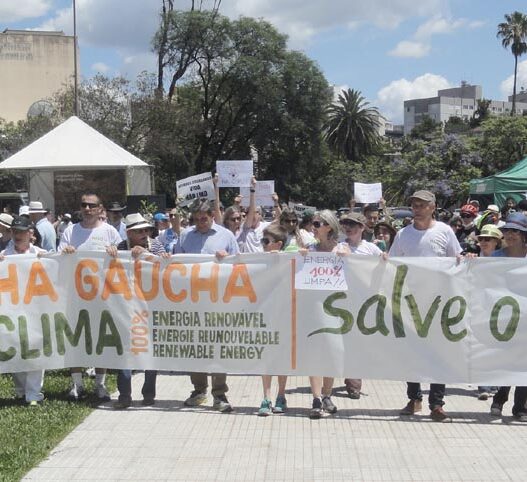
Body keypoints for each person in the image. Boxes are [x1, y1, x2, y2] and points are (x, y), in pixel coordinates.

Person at [389, 190, 462, 423]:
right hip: (411, 302)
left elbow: (457, 260)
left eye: (422, 205)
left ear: (433, 207)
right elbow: (392, 263)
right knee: (412, 352)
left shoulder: (445, 231)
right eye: (414, 205)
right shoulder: (403, 234)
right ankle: (414, 398)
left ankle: (437, 403)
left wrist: (467, 260)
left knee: (438, 353)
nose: (417, 209)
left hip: (439, 302)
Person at [175, 199, 239, 413]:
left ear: (213, 216)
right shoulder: (185, 235)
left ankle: (219, 393)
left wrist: (227, 258)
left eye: (204, 218)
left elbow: (239, 264)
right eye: (197, 219)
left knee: (218, 347)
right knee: (195, 347)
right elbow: (176, 262)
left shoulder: (226, 235)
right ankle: (199, 390)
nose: (201, 223)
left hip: (218, 300)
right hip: (192, 299)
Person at [59, 192, 122, 402]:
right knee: (75, 337)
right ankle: (77, 384)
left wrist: (116, 252)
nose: (87, 209)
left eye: (91, 205)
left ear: (100, 208)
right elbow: (58, 259)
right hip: (75, 295)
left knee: (101, 337)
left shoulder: (110, 231)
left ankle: (100, 384)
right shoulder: (70, 231)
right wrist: (65, 252)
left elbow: (123, 261)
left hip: (103, 295)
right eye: (84, 205)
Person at [110, 213, 169, 409]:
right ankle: (124, 395)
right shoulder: (119, 247)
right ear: (129, 233)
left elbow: (165, 267)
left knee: (150, 350)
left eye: (146, 230)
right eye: (139, 231)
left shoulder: (157, 245)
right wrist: (109, 253)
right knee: (126, 352)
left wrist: (148, 255)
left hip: (151, 306)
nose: (145, 234)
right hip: (126, 307)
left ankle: (149, 393)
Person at [336, 212, 382, 399]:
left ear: (362, 228)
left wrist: (385, 259)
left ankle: (354, 380)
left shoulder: (371, 249)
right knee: (344, 341)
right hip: (341, 300)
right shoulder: (339, 246)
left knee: (358, 341)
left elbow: (386, 265)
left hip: (364, 300)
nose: (349, 228)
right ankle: (350, 380)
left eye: (354, 224)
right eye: (346, 224)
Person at [1, 216, 47, 406]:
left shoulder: (42, 254)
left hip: (36, 311)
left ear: (31, 233)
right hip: (12, 311)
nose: (17, 235)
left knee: (36, 350)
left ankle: (34, 394)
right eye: (14, 231)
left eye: (21, 231)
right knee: (16, 349)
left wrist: (65, 254)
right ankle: (21, 390)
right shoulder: (4, 255)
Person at [489, 212, 527, 421]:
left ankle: (520, 407)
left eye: (516, 231)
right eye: (507, 230)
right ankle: (499, 398)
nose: (510, 234)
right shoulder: (495, 258)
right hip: (503, 318)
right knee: (508, 360)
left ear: (523, 235)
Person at [305, 210, 341, 418]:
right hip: (313, 308)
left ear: (329, 226)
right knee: (315, 354)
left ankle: (327, 394)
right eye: (313, 223)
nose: (314, 227)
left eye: (318, 224)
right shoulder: (309, 249)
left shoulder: (342, 249)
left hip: (337, 309)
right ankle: (316, 397)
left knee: (332, 353)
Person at [257, 224, 289, 416]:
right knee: (266, 357)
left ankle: (281, 395)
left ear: (278, 244)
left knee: (282, 357)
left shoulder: (290, 259)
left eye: (266, 242)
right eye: (262, 241)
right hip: (265, 314)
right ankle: (266, 396)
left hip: (284, 314)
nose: (262, 245)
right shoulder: (259, 259)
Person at [474, 224, 502, 400]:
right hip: (480, 308)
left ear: (496, 242)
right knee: (482, 346)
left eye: (488, 239)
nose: (484, 242)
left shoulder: (506, 260)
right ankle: (483, 384)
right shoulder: (473, 259)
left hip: (501, 308)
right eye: (481, 239)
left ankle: (496, 382)